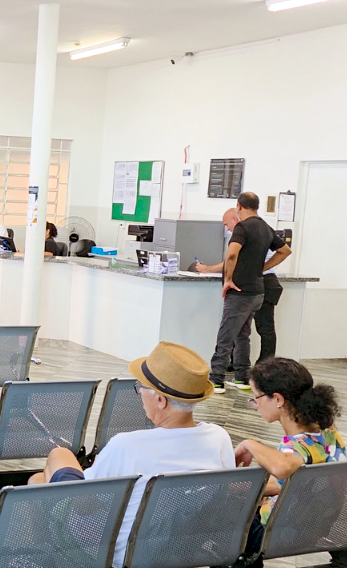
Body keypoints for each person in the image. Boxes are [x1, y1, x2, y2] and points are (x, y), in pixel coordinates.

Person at [28, 341, 234, 568]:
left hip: (113, 552)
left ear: (160, 400)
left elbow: (83, 506)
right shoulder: (219, 438)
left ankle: (49, 557)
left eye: (141, 387)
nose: (139, 393)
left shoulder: (127, 446)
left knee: (42, 475)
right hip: (171, 547)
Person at [234, 358, 345, 567]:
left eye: (256, 397)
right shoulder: (328, 431)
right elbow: (291, 481)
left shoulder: (297, 446)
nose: (255, 405)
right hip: (319, 524)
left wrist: (249, 444)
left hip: (281, 533)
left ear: (277, 399)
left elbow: (282, 467)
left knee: (226, 526)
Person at [206, 192, 291, 393]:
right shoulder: (265, 228)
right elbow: (285, 250)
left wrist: (228, 279)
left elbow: (232, 254)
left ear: (239, 206)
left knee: (226, 336)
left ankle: (216, 380)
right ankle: (242, 377)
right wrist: (261, 268)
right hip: (257, 292)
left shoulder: (242, 227)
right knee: (243, 335)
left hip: (240, 291)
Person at [197, 208, 285, 363]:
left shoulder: (246, 231)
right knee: (247, 331)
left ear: (235, 219)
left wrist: (207, 269)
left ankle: (263, 366)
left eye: (226, 224)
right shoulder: (262, 229)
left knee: (258, 329)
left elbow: (233, 258)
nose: (227, 229)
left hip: (262, 283)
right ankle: (247, 367)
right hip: (261, 282)